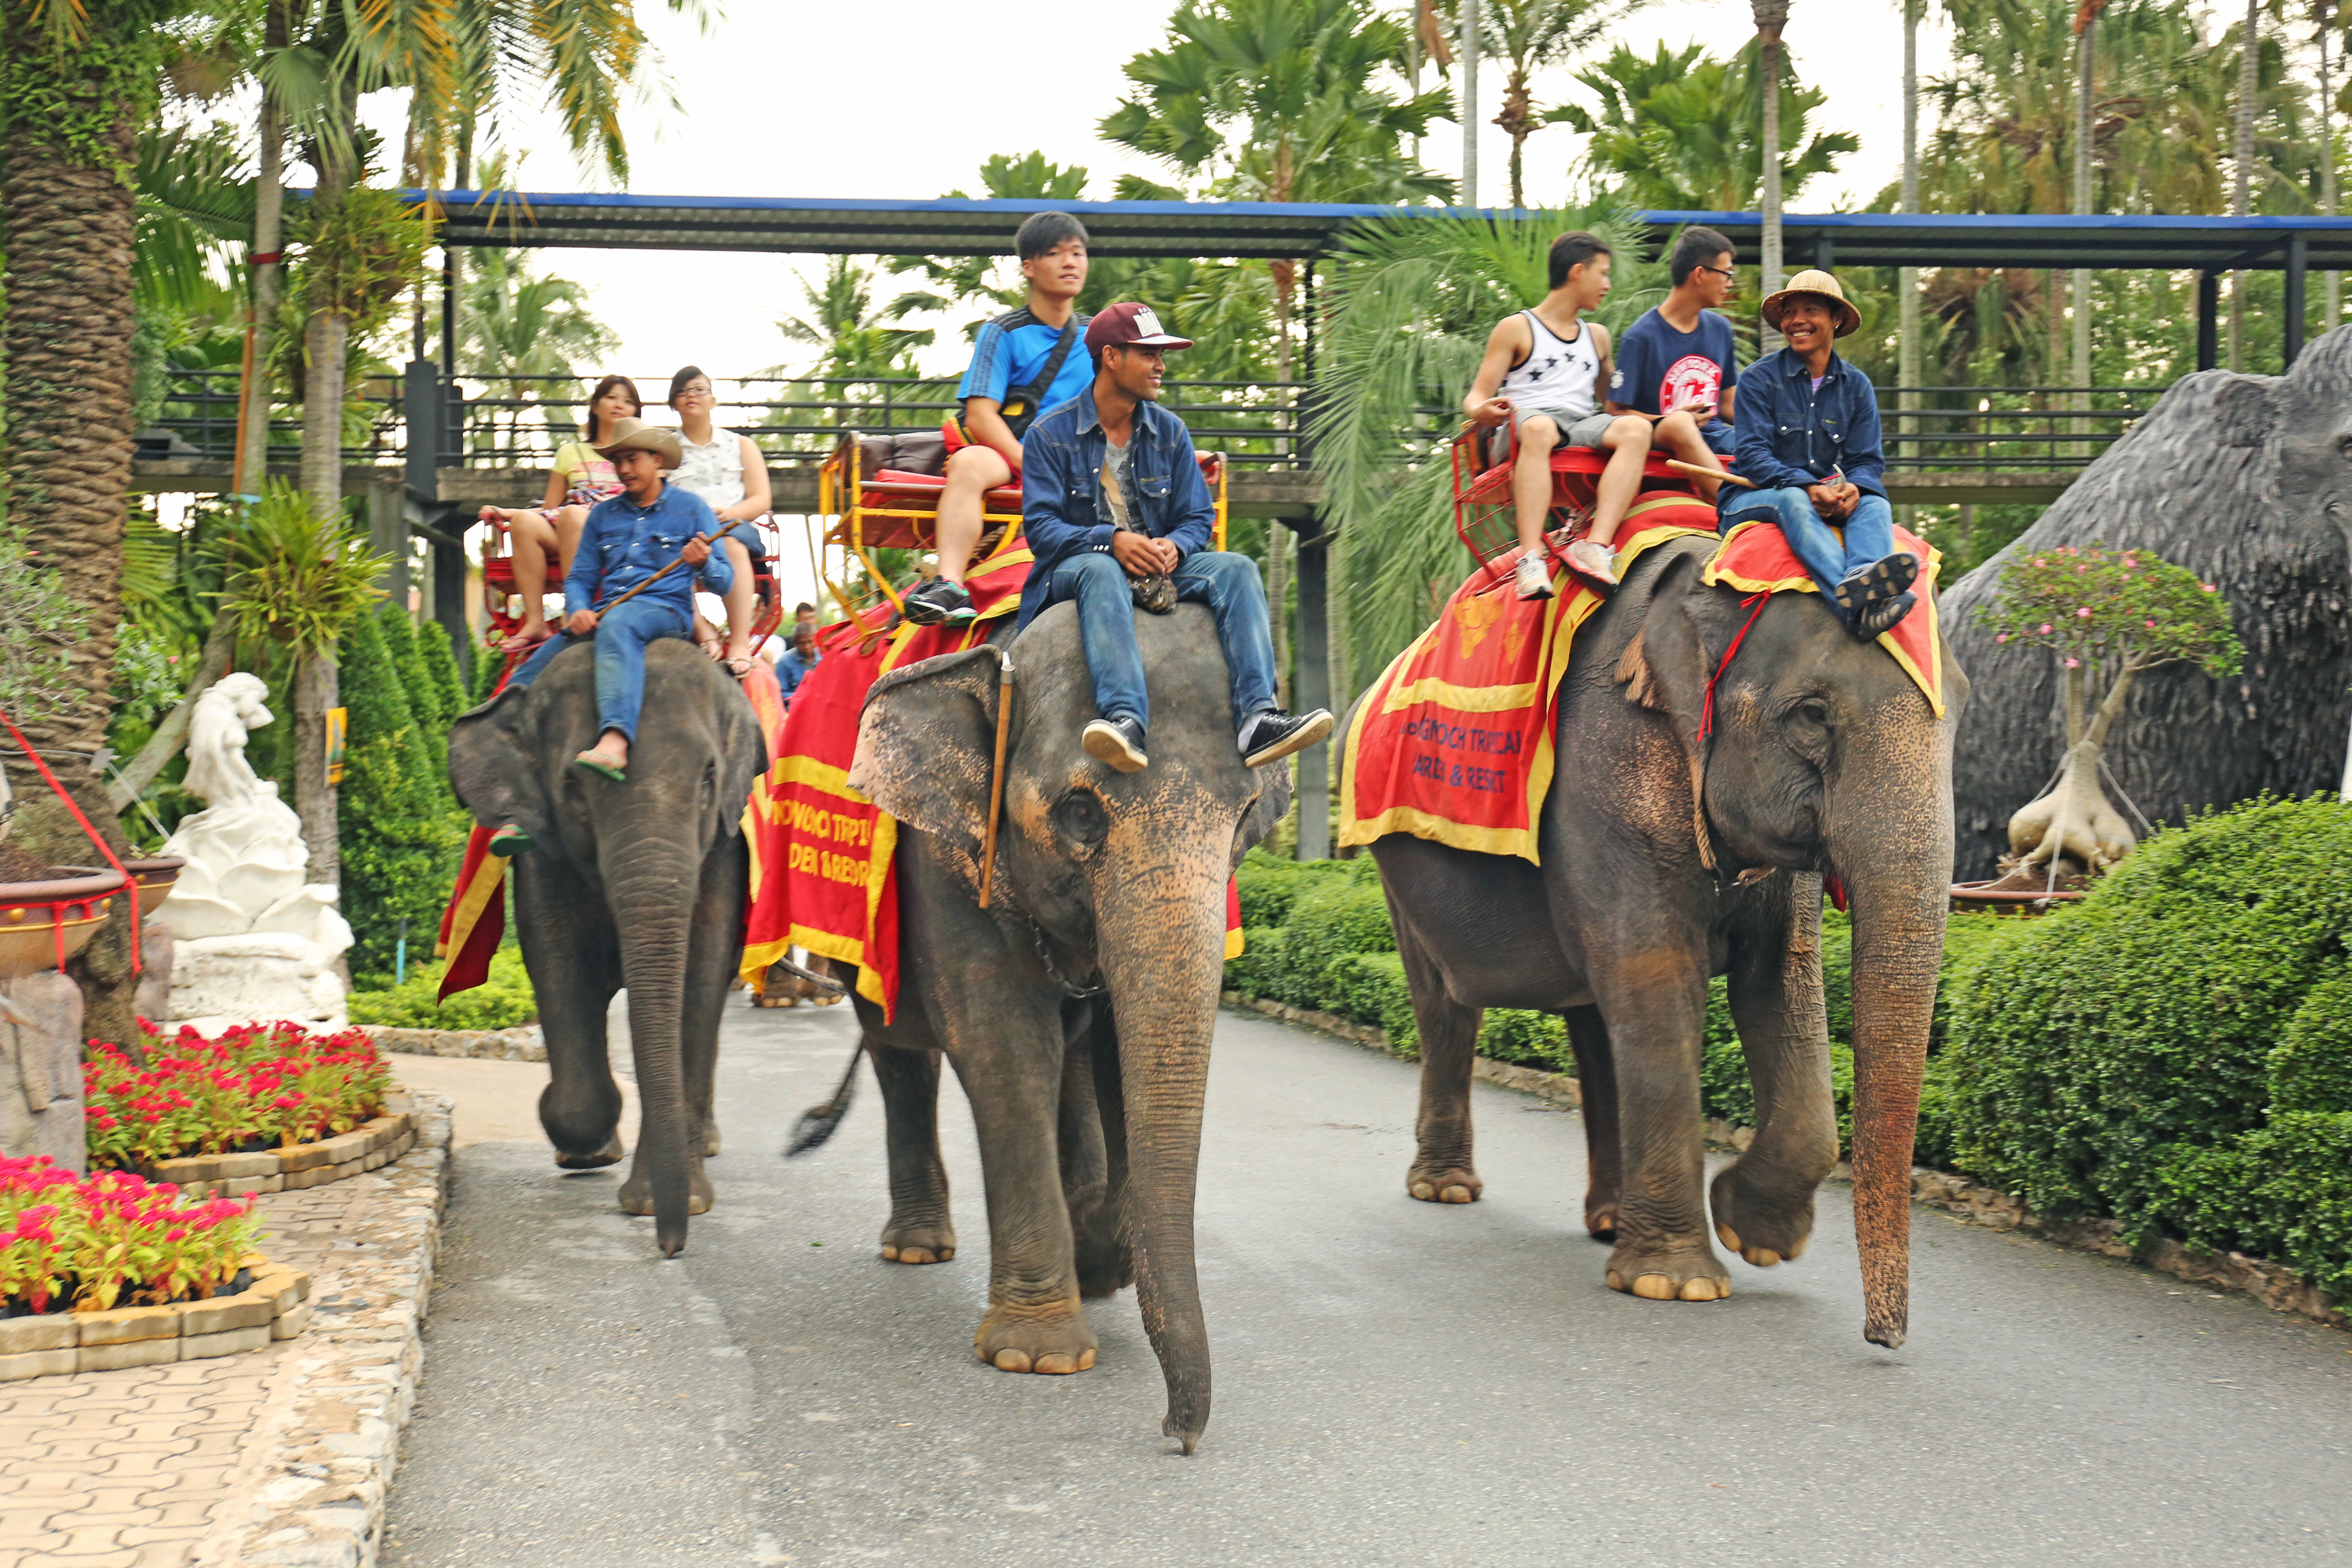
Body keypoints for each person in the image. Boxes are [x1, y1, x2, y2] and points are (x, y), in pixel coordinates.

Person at [1019, 302, 1331, 774]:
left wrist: (1177, 546)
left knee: (1239, 569)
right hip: (1081, 566)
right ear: (1111, 357)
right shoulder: (1049, 434)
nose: (1161, 366)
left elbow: (1197, 518)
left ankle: (1258, 718)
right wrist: (1110, 541)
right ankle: (1126, 721)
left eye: (1161, 355)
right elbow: (1042, 531)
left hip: (1160, 567)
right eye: (1149, 354)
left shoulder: (1170, 432)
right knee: (1101, 569)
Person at [492, 417, 733, 838]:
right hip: (606, 611)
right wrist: (578, 609)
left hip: (665, 613)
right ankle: (519, 803)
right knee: (528, 677)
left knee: (620, 622)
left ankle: (616, 740)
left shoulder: (692, 509)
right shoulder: (603, 515)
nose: (624, 469)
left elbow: (725, 581)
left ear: (657, 461)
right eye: (618, 461)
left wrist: (703, 563)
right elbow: (581, 578)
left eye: (632, 459)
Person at [903, 212, 1094, 626]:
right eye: (1056, 254)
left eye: (1078, 253)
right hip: (1014, 456)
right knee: (970, 462)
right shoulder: (1002, 332)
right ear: (1029, 267)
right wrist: (1033, 462)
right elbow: (981, 415)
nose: (1070, 263)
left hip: (1081, 463)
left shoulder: (1099, 337)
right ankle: (951, 585)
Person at [1462, 232, 1660, 601]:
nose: (1608, 284)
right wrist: (1481, 410)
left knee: (1634, 430)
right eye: (1602, 274)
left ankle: (1596, 546)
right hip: (1529, 421)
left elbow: (1614, 404)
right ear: (1577, 272)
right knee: (1539, 428)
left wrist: (1665, 417)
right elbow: (1477, 393)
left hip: (1581, 422)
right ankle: (1531, 557)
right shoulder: (1517, 328)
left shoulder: (1597, 336)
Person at [1722, 270, 1917, 639]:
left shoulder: (1857, 386)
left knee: (1875, 504)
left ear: (1837, 319)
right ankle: (1854, 610)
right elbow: (1751, 455)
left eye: (1810, 310)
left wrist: (1855, 488)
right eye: (1790, 312)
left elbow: (1867, 461)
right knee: (1793, 499)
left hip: (1822, 492)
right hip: (1752, 496)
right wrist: (1809, 487)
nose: (1796, 321)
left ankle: (1863, 577)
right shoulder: (1757, 379)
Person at [480, 374, 640, 652]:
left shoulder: (641, 452)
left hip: (620, 532)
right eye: (611, 397)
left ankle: (575, 608)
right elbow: (549, 509)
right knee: (527, 522)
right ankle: (535, 621)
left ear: (636, 411)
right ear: (595, 405)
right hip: (573, 532)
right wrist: (508, 513)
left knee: (573, 515)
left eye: (628, 401)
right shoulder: (571, 452)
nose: (619, 405)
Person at [1607, 225, 1742, 486]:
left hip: (1718, 438)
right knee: (1682, 425)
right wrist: (1671, 420)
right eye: (1727, 273)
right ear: (1700, 274)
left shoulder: (1720, 329)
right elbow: (1615, 412)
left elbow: (1728, 403)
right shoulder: (1641, 336)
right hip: (1667, 446)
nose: (1730, 283)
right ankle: (1732, 506)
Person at [666, 366, 773, 675]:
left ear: (713, 400)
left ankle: (740, 642)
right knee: (665, 549)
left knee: (732, 546)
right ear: (674, 403)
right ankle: (702, 628)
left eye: (699, 389)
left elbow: (761, 498)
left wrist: (729, 516)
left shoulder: (741, 446)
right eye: (683, 392)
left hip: (732, 527)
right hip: (684, 533)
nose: (692, 396)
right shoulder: (666, 452)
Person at [775, 622, 820, 706]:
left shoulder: (824, 657)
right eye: (803, 643)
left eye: (810, 642)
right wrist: (803, 697)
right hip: (796, 708)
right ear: (795, 643)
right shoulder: (785, 662)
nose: (807, 647)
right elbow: (780, 694)